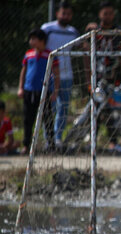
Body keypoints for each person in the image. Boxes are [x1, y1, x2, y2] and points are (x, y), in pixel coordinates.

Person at [84, 1, 121, 154]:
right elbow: (85, 55)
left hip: (113, 79)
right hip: (96, 78)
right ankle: (92, 141)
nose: (108, 16)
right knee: (95, 112)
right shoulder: (94, 32)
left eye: (110, 13)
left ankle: (113, 143)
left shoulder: (118, 32)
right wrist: (89, 80)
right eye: (105, 13)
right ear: (100, 14)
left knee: (112, 112)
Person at [41, 1, 79, 151]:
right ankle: (48, 139)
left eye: (69, 14)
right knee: (50, 108)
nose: (66, 16)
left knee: (64, 107)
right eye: (63, 13)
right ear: (57, 13)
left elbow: (80, 48)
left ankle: (58, 139)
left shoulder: (73, 32)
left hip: (66, 75)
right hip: (50, 75)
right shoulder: (47, 29)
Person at [17, 28, 60, 154]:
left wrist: (55, 91)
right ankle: (26, 146)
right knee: (28, 119)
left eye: (34, 39)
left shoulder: (50, 54)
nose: (31, 41)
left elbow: (57, 73)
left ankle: (51, 145)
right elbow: (23, 71)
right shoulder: (28, 54)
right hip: (29, 90)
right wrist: (21, 87)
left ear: (42, 41)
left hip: (44, 91)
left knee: (47, 119)